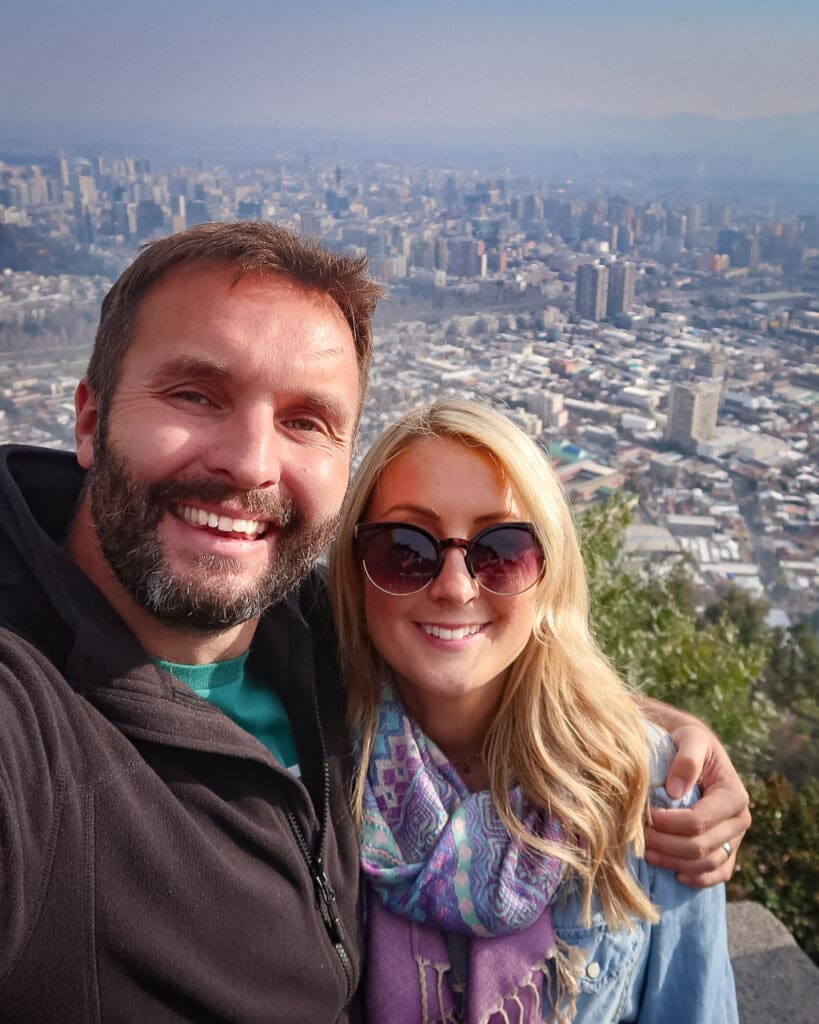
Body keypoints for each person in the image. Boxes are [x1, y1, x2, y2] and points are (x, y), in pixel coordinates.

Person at [0, 222, 745, 1022]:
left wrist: (653, 735)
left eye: (305, 420)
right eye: (194, 394)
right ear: (87, 418)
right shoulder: (29, 713)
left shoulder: (314, 637)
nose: (250, 462)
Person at [328, 398, 738, 1023]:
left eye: (501, 550)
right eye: (404, 549)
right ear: (356, 575)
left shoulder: (647, 790)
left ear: (550, 576)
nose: (455, 586)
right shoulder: (313, 774)